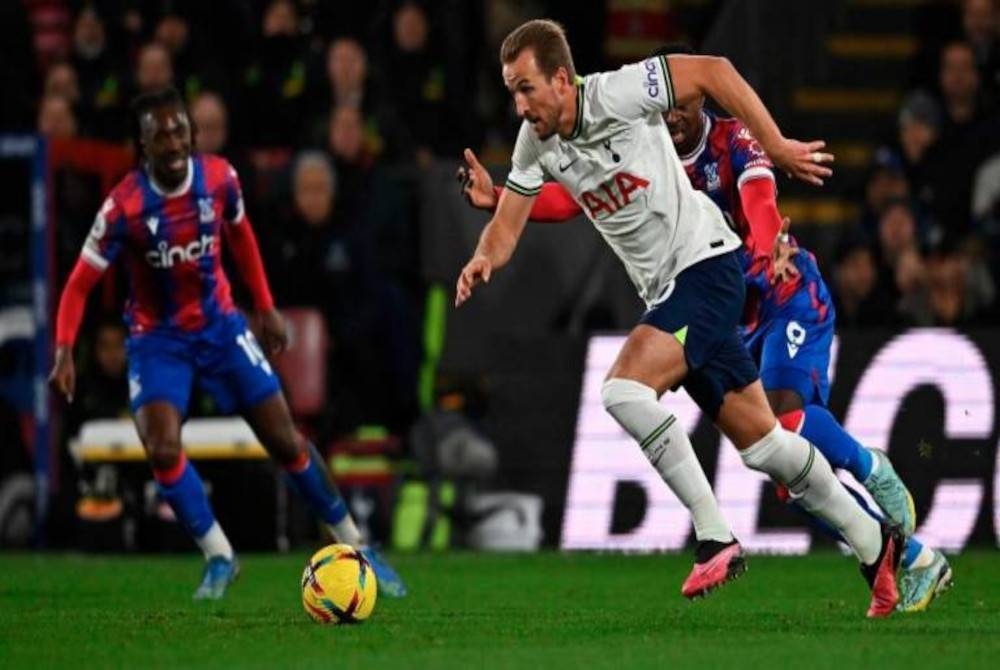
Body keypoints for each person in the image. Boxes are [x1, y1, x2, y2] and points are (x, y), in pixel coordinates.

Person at [459, 40, 954, 612]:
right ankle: (891, 552)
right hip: (684, 288)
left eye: (526, 87)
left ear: (563, 80)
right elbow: (514, 221)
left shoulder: (622, 92)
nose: (519, 104)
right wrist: (483, 255)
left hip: (709, 269)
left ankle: (715, 534)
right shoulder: (536, 143)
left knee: (623, 389)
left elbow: (716, 72)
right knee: (769, 447)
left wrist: (776, 146)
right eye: (510, 90)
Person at [48, 87, 406, 600]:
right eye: (159, 134)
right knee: (162, 444)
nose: (172, 141)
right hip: (159, 340)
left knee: (285, 440)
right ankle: (219, 555)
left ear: (191, 133)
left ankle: (357, 546)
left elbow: (241, 237)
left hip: (221, 327)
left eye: (178, 129)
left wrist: (263, 305)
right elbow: (79, 283)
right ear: (142, 146)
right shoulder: (124, 206)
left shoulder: (219, 178)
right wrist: (64, 350)